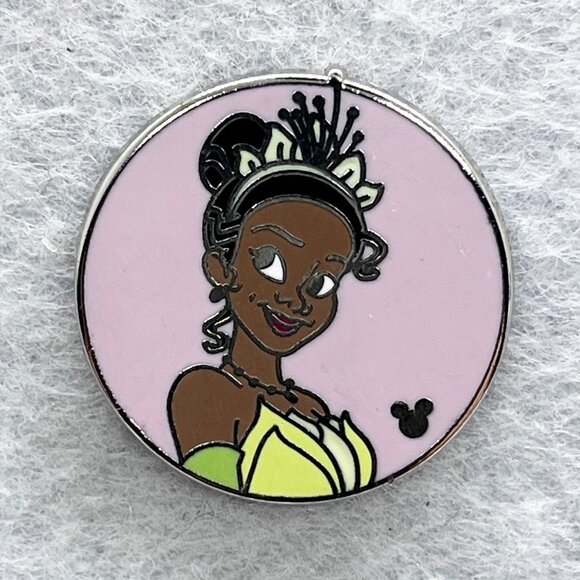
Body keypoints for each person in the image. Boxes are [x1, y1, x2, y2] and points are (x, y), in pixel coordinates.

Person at [168, 84, 388, 489]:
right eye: (271, 264)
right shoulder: (205, 393)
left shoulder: (312, 407)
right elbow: (219, 494)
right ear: (220, 267)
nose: (296, 300)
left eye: (323, 282)